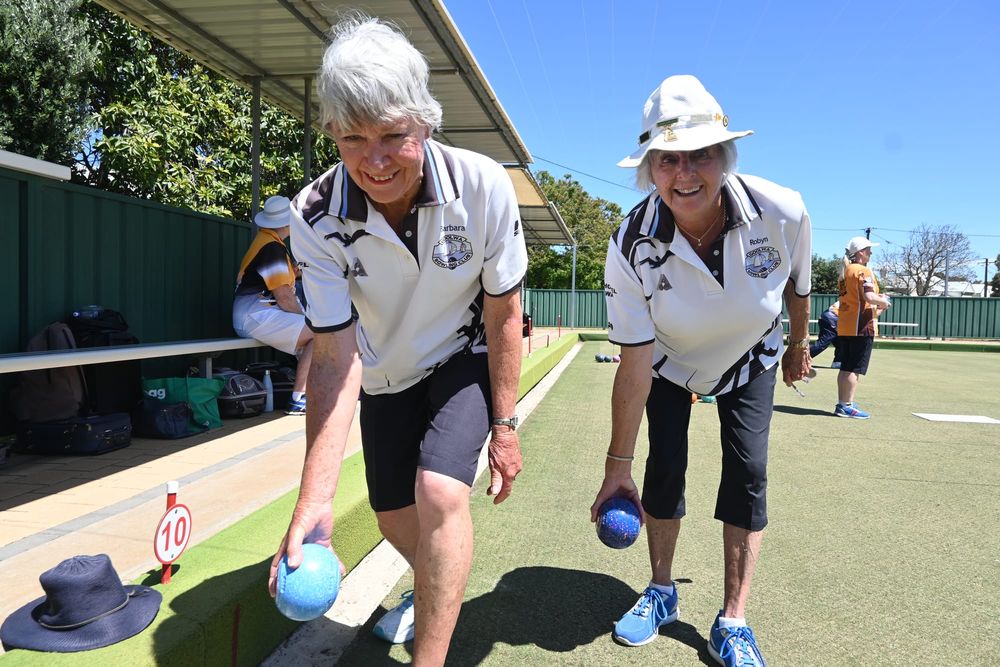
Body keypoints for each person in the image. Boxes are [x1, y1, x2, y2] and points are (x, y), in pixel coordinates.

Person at [268, 15, 527, 666]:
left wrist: (505, 423)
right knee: (391, 516)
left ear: (427, 123)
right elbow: (332, 353)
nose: (375, 161)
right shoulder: (313, 215)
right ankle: (437, 582)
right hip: (383, 374)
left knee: (440, 491)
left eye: (393, 137)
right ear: (330, 132)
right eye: (353, 138)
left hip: (461, 353)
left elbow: (503, 315)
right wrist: (315, 503)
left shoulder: (484, 188)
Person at [592, 75, 812, 667]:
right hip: (669, 361)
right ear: (649, 169)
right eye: (668, 160)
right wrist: (617, 466)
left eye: (701, 156)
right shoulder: (630, 243)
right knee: (665, 467)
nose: (685, 174)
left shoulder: (782, 209)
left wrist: (798, 342)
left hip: (752, 352)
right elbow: (635, 358)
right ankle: (661, 591)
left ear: (725, 156)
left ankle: (732, 620)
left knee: (748, 472)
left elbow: (796, 285)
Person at [233, 195, 314, 414]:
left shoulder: (270, 241)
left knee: (317, 334)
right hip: (254, 315)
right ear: (287, 223)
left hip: (255, 314)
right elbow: (285, 299)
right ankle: (299, 399)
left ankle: (309, 393)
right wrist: (306, 319)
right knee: (321, 332)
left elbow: (285, 278)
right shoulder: (271, 248)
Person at [834, 237, 890, 419]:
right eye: (867, 250)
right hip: (861, 326)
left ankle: (843, 403)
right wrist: (885, 301)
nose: (870, 253)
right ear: (860, 252)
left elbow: (860, 301)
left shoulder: (844, 272)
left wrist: (877, 305)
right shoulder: (863, 271)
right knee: (854, 369)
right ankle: (846, 405)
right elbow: (869, 297)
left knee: (846, 367)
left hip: (846, 324)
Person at [810, 300, 842, 367]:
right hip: (832, 318)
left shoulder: (848, 296)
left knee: (841, 343)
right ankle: (800, 358)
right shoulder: (857, 298)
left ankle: (837, 362)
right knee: (822, 343)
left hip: (827, 317)